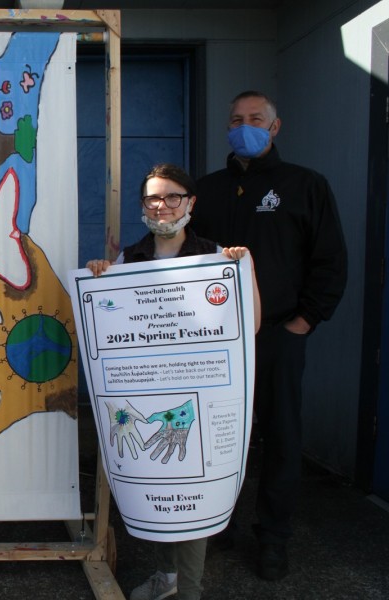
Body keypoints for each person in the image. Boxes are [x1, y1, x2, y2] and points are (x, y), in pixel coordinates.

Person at [190, 91, 347, 581]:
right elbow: (176, 250)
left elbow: (330, 260)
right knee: (218, 438)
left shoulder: (305, 185)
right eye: (236, 119)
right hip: (216, 342)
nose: (245, 126)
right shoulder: (207, 191)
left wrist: (305, 321)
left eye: (256, 118)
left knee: (280, 437)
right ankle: (219, 525)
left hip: (278, 336)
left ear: (275, 127)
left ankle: (274, 538)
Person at [87, 164, 261, 600]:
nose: (161, 206)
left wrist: (247, 269)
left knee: (194, 495)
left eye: (171, 197)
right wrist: (98, 278)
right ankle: (166, 578)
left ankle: (191, 592)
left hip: (198, 402)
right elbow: (109, 330)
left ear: (190, 203)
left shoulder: (217, 256)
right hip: (152, 396)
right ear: (143, 205)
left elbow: (251, 325)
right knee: (159, 487)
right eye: (152, 198)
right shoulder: (130, 259)